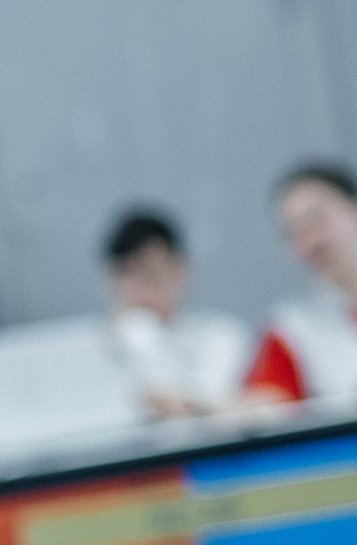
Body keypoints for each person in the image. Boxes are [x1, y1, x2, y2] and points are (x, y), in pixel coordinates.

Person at [98, 209, 250, 418]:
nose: (139, 288)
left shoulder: (220, 335)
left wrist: (143, 336)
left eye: (151, 274)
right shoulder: (95, 352)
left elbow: (208, 410)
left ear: (181, 272)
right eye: (126, 276)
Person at [244, 161, 357, 406]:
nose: (311, 241)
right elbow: (265, 406)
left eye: (317, 219)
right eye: (294, 231)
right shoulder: (293, 329)